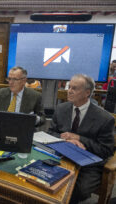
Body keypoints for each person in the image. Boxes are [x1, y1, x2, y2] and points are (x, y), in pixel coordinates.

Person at [47, 74, 114, 204]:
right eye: (69, 87)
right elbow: (50, 133)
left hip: (88, 163)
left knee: (78, 190)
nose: (69, 91)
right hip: (61, 157)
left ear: (87, 93)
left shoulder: (105, 118)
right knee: (39, 177)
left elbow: (106, 150)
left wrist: (80, 138)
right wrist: (65, 140)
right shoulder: (61, 109)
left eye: (75, 88)